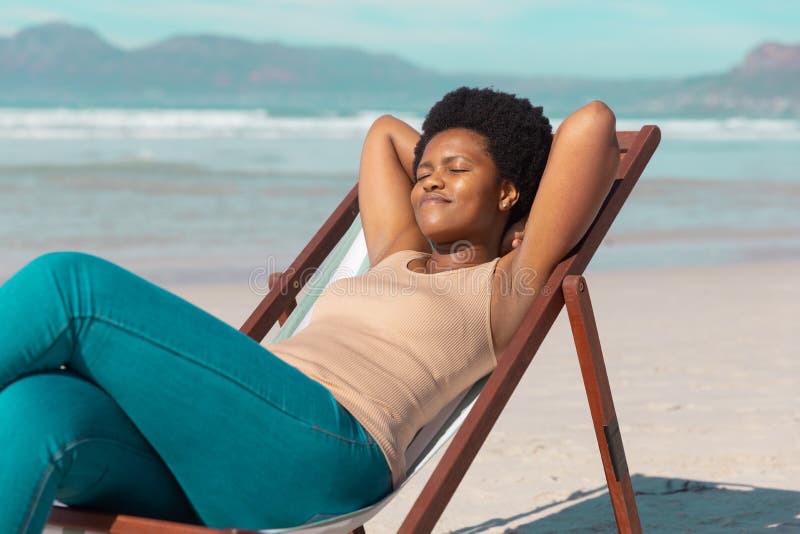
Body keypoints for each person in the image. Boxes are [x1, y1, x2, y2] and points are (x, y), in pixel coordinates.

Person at [0, 87, 619, 532]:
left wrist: (524, 220)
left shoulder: (506, 288)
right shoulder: (395, 256)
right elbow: (382, 133)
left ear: (509, 191)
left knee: (70, 287)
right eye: (424, 171)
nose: (429, 179)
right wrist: (450, 161)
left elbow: (592, 126)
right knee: (36, 407)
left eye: (456, 170)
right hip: (236, 452)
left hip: (328, 449)